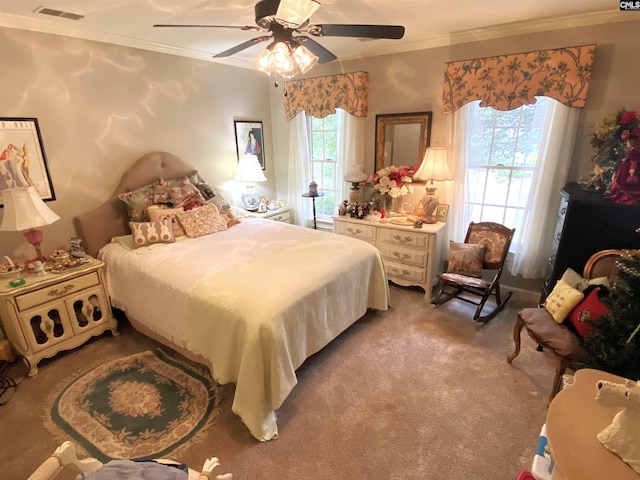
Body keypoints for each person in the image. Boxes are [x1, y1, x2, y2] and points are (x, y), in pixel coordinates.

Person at [605, 128, 640, 206]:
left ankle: (626, 197)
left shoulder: (634, 152)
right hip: (625, 169)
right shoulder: (633, 151)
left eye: (627, 141)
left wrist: (632, 170)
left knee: (626, 184)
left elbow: (634, 161)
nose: (627, 143)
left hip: (628, 171)